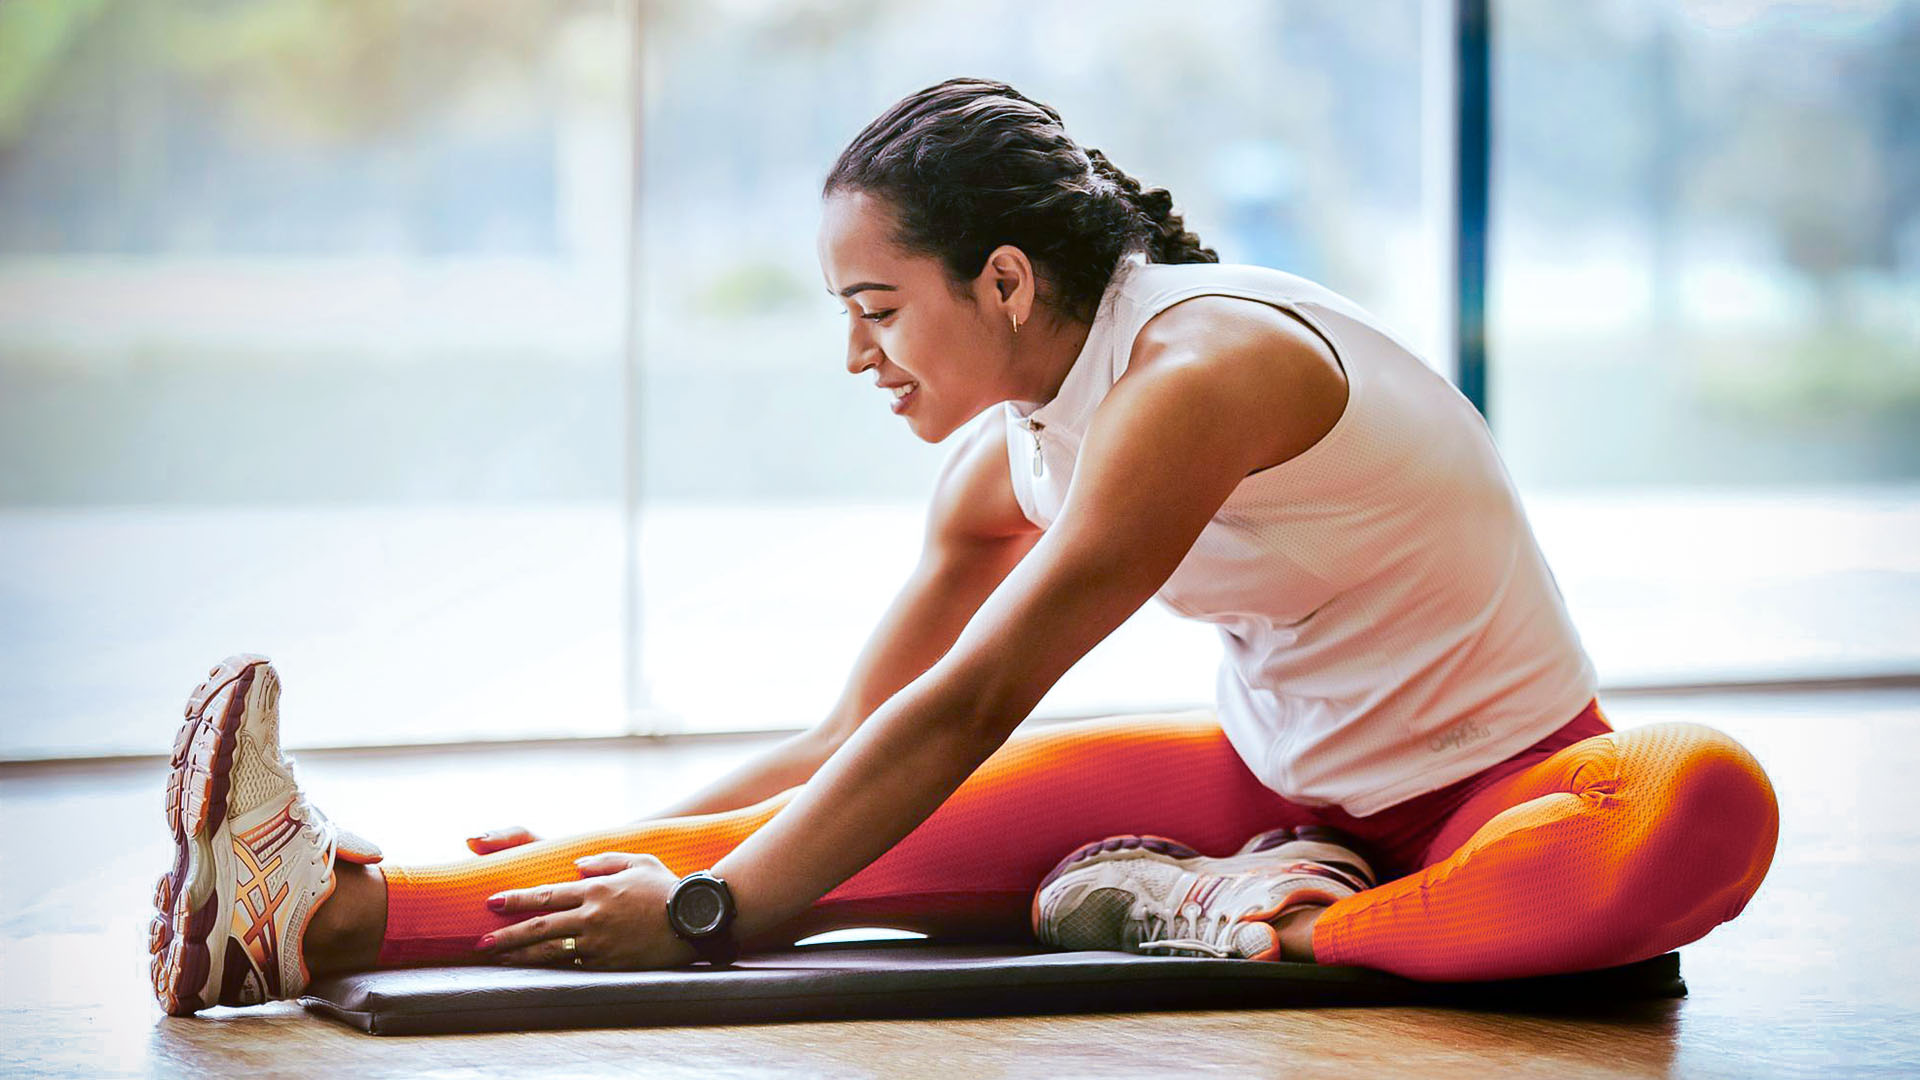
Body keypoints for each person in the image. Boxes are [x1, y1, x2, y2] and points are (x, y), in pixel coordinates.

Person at [148, 77, 1779, 1015]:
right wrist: (617, 847)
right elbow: (850, 747)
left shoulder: (1202, 377)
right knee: (805, 832)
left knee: (1706, 802)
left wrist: (720, 913)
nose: (858, 356)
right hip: (1278, 789)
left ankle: (1268, 921)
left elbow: (982, 694)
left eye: (878, 308)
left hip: (1509, 790)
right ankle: (302, 915)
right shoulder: (1008, 459)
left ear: (1003, 281)